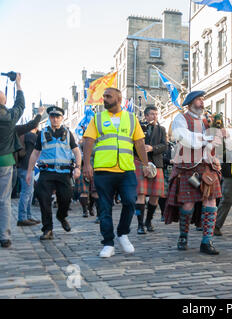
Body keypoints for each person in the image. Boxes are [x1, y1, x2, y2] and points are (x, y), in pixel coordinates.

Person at [82, 87, 150, 258]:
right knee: (105, 208)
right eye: (104, 96)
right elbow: (88, 141)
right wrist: (86, 165)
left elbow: (140, 143)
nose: (104, 99)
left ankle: (122, 233)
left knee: (130, 201)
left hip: (126, 169)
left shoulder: (131, 118)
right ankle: (108, 243)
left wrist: (146, 164)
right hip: (103, 170)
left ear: (119, 99)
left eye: (108, 96)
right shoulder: (97, 118)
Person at [165, 91, 223, 255]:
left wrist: (216, 142)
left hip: (207, 167)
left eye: (203, 100)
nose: (202, 103)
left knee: (210, 202)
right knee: (188, 204)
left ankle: (207, 241)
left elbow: (217, 142)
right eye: (199, 100)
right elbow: (184, 137)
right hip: (188, 168)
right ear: (190, 103)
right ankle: (183, 235)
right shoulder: (180, 119)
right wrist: (205, 139)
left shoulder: (208, 121)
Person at [26, 106, 82, 240]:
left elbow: (76, 151)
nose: (55, 119)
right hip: (47, 172)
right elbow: (35, 153)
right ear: (49, 118)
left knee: (66, 198)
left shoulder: (68, 134)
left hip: (63, 173)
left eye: (57, 117)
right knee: (43, 199)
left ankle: (61, 217)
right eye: (52, 116)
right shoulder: (42, 133)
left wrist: (78, 167)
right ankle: (48, 229)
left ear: (62, 118)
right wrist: (29, 171)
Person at [0, 73, 25, 248]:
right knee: (4, 200)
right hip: (5, 161)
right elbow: (20, 104)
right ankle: (4, 236)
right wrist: (18, 83)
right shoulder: (9, 117)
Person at [134, 106, 167, 234]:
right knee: (141, 194)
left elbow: (164, 146)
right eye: (152, 114)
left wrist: (152, 148)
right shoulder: (139, 128)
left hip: (156, 163)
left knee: (155, 196)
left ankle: (148, 221)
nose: (154, 116)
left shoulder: (162, 129)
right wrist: (142, 149)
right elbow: (133, 144)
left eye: (156, 114)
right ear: (146, 116)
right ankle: (140, 225)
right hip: (140, 163)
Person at [16, 105, 45, 226]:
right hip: (26, 167)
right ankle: (22, 217)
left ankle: (28, 215)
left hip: (26, 167)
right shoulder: (31, 136)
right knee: (26, 193)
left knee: (29, 192)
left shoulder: (29, 135)